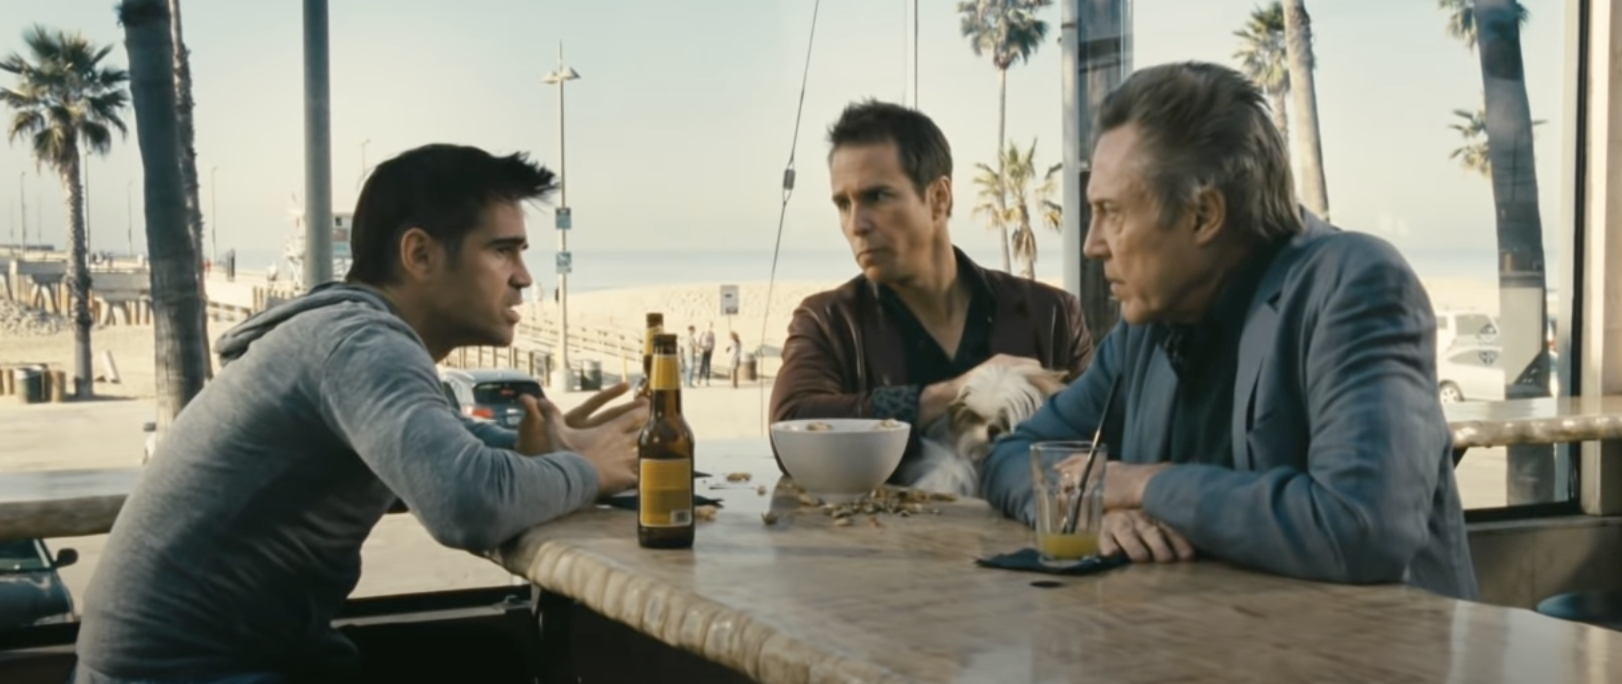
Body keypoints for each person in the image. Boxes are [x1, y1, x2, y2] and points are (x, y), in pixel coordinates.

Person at [72, 144, 648, 683]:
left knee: (491, 658)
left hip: (214, 661)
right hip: (185, 673)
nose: (523, 276)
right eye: (503, 250)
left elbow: (447, 455)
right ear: (419, 254)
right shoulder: (361, 344)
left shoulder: (347, 335)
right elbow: (466, 503)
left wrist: (547, 448)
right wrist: (589, 471)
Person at [979, 62, 1477, 600]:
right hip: (1200, 635)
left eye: (1111, 212)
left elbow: (1361, 528)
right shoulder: (1149, 321)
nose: (1092, 244)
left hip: (1376, 644)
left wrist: (1146, 484)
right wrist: (1090, 511)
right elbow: (1014, 456)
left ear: (1203, 215)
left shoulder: (1355, 284)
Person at [770, 99, 1093, 473]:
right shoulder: (828, 321)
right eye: (843, 204)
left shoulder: (1052, 316)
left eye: (878, 196)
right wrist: (953, 393)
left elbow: (1102, 441)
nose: (856, 224)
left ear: (938, 198)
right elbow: (792, 426)